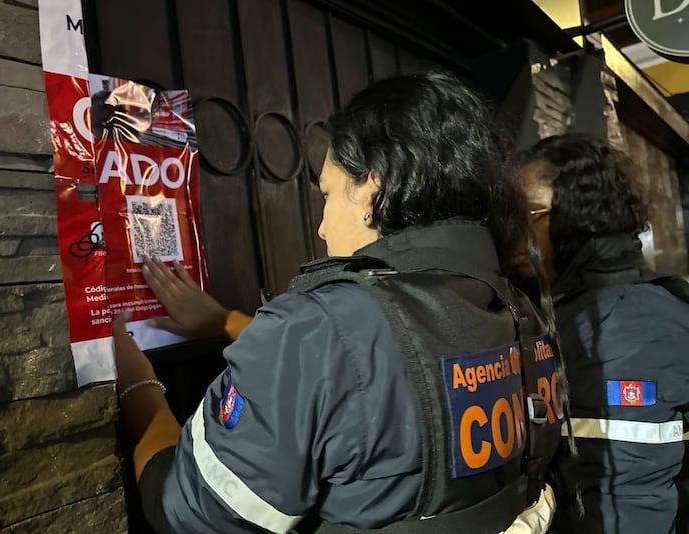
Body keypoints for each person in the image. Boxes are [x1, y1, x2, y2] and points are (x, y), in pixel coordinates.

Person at [113, 69, 564, 533]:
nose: (322, 227)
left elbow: (187, 510)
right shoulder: (519, 313)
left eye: (327, 193)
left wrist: (136, 383)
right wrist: (224, 321)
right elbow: (378, 371)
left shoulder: (321, 330)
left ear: (373, 188)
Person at [514, 133, 689, 534]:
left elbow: (624, 502)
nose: (515, 234)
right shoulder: (609, 307)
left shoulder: (624, 329)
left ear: (579, 216)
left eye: (530, 214)